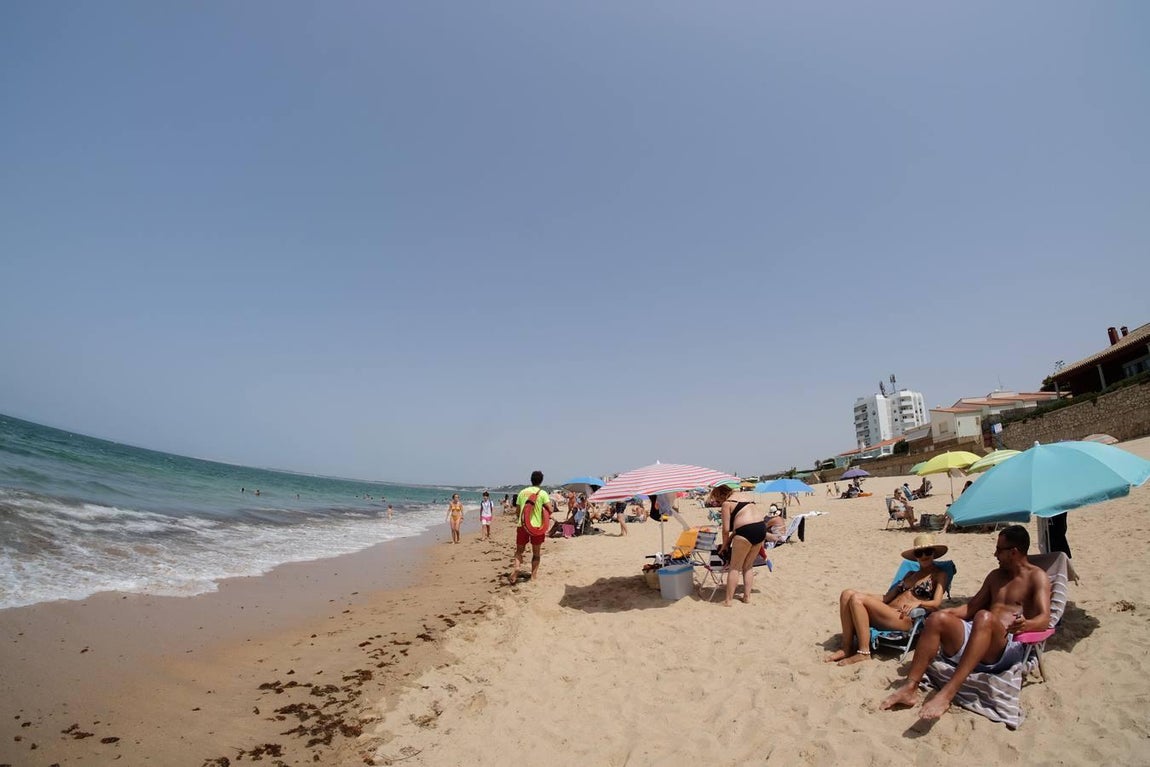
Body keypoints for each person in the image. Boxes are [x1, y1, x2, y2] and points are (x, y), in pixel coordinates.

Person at [880, 525, 1051, 720]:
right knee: (937, 619)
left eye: (999, 550)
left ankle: (948, 693)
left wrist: (1026, 625)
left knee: (984, 617)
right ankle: (910, 687)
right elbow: (971, 608)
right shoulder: (995, 576)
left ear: (1014, 552)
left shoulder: (1037, 577)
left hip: (1005, 644)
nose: (995, 554)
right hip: (978, 631)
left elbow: (1044, 619)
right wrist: (945, 613)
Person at [826, 534, 949, 666]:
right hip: (887, 611)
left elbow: (936, 603)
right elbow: (887, 598)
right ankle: (846, 648)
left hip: (904, 618)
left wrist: (919, 602)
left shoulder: (939, 574)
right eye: (919, 552)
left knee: (857, 598)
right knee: (847, 594)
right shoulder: (910, 574)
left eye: (928, 552)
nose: (924, 556)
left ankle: (863, 652)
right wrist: (861, 594)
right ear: (916, 556)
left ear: (934, 553)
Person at [712, 484, 763, 607]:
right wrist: (729, 541)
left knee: (735, 567)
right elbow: (738, 527)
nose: (718, 502)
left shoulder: (727, 503)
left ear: (720, 495)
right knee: (748, 566)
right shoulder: (746, 496)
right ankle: (747, 597)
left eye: (717, 499)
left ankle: (728, 601)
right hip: (761, 528)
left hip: (745, 531)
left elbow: (725, 530)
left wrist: (724, 545)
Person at [508, 470, 557, 585]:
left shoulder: (522, 492)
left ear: (531, 479)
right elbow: (550, 510)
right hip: (537, 528)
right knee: (536, 553)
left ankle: (517, 568)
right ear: (541, 481)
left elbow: (518, 511)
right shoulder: (543, 493)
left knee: (519, 551)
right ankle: (533, 577)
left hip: (522, 525)